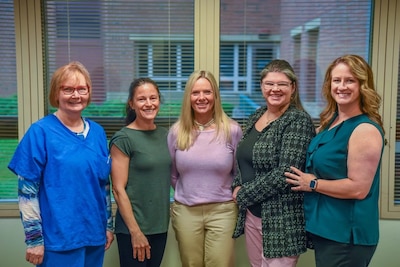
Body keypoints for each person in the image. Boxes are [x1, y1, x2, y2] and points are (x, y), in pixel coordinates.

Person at [8, 61, 114, 266]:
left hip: (94, 236)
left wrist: (108, 225)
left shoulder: (98, 133)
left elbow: (104, 184)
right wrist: (34, 240)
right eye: (68, 89)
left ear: (89, 93)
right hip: (57, 240)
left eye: (82, 89)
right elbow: (27, 192)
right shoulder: (40, 132)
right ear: (56, 94)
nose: (76, 95)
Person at [285, 54, 385, 267]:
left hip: (347, 235)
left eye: (350, 80)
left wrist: (312, 184)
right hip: (327, 229)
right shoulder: (331, 121)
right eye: (336, 80)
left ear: (362, 85)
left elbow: (358, 188)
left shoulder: (364, 129)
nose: (342, 86)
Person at [232, 59, 316, 267]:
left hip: (282, 221)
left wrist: (243, 194)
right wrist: (236, 185)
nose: (275, 89)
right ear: (262, 86)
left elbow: (286, 173)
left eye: (282, 84)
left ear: (293, 87)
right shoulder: (257, 115)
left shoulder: (298, 121)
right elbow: (243, 157)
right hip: (252, 215)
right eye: (269, 84)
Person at [167, 70, 243, 267]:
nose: (202, 98)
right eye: (195, 93)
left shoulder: (232, 130)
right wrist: (192, 193)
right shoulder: (176, 132)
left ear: (215, 96)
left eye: (207, 92)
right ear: (188, 97)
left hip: (223, 211)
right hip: (186, 211)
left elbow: (238, 173)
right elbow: (173, 175)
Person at [109, 78, 171, 267]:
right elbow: (118, 190)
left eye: (153, 98)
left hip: (159, 226)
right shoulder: (123, 139)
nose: (149, 103)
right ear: (131, 103)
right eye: (142, 99)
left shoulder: (166, 135)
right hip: (132, 229)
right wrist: (135, 232)